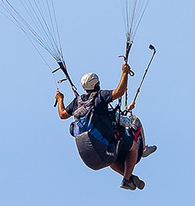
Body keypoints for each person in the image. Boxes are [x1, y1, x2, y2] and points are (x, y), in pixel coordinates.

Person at [56, 59, 151, 190]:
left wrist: (60, 99)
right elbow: (119, 91)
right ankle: (127, 178)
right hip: (103, 145)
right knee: (133, 147)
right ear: (97, 84)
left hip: (90, 154)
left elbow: (62, 114)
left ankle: (128, 177)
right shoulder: (99, 96)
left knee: (112, 158)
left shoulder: (77, 102)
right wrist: (125, 73)